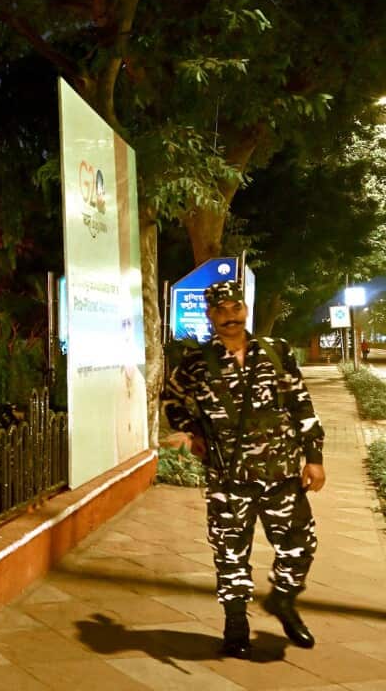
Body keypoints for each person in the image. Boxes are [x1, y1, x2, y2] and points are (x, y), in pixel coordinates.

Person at [162, 280, 325, 659]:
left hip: (281, 473)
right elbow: (172, 399)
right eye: (220, 310)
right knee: (230, 554)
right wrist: (192, 431)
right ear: (210, 315)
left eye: (235, 308)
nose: (229, 316)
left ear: (245, 309)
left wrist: (314, 457)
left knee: (301, 546)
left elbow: (301, 404)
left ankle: (283, 599)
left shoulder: (276, 352)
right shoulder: (196, 364)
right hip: (228, 478)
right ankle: (235, 625)